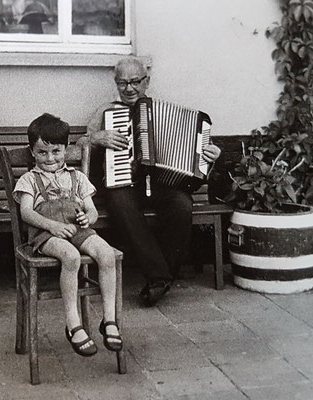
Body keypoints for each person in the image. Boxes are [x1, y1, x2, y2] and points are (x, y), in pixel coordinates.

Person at [77, 57, 221, 306]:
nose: (129, 88)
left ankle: (161, 278)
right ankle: (160, 278)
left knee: (182, 205)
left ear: (147, 81)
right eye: (122, 83)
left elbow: (196, 152)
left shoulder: (161, 111)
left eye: (134, 82)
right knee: (121, 203)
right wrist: (96, 138)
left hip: (161, 184)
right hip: (124, 185)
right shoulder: (105, 112)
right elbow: (78, 147)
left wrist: (211, 155)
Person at [13, 113, 123, 357]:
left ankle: (109, 320)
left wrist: (88, 217)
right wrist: (51, 226)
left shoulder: (77, 178)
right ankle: (73, 324)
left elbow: (91, 210)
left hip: (77, 228)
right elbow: (26, 213)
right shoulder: (29, 179)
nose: (50, 158)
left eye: (56, 151)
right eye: (42, 152)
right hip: (46, 235)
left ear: (65, 149)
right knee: (71, 257)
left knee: (106, 254)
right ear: (32, 152)